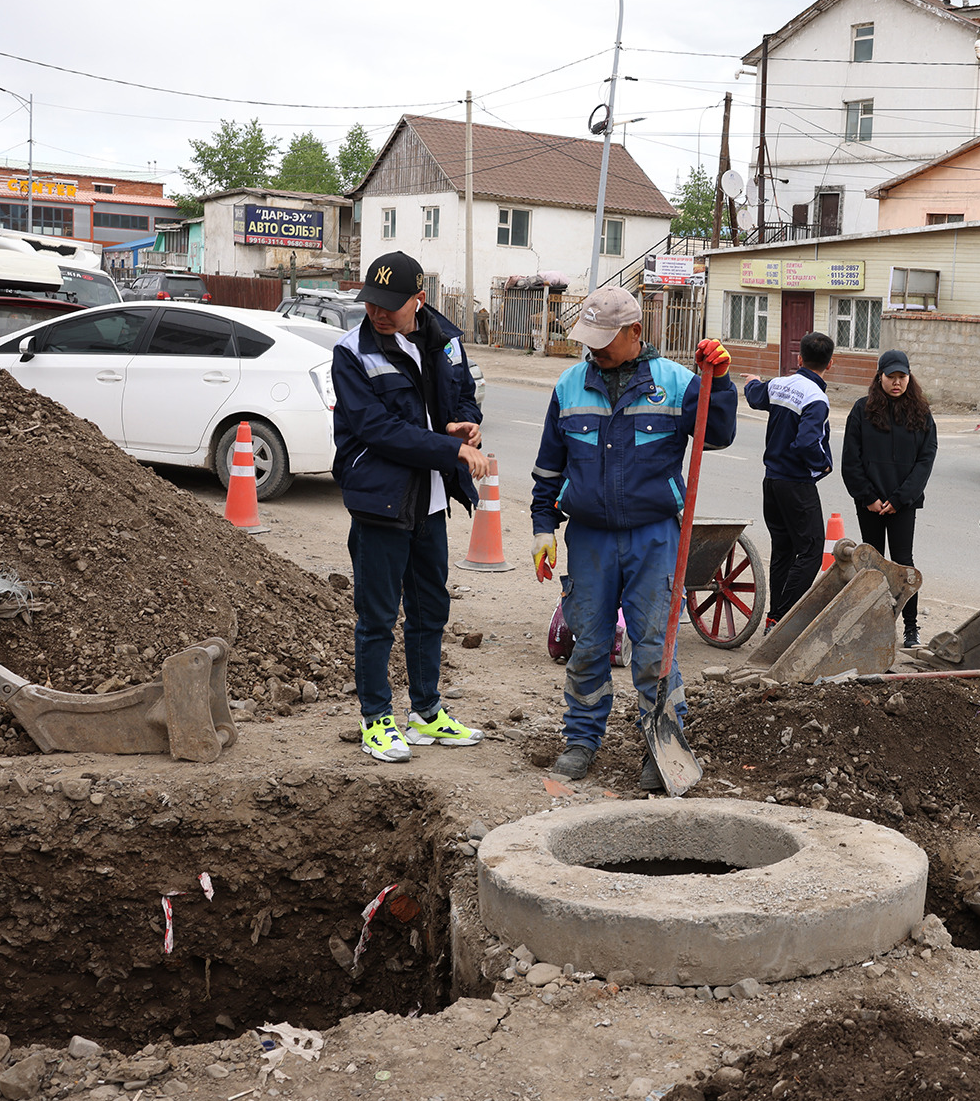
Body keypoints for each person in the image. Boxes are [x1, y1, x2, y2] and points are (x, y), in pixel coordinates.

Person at [529, 285, 735, 788]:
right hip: (591, 540)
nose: (593, 348)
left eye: (604, 338)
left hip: (655, 537)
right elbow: (548, 469)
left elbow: (719, 433)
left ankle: (659, 747)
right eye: (589, 337)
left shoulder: (677, 383)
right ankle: (581, 740)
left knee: (653, 647)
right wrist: (542, 528)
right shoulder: (568, 387)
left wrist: (720, 381)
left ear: (636, 333)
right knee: (589, 645)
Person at [331, 251, 489, 764]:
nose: (378, 313)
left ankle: (426, 713)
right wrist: (452, 449)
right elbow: (377, 429)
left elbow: (462, 397)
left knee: (429, 608)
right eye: (371, 303)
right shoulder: (351, 352)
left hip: (430, 496)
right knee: (376, 615)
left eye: (390, 306)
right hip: (380, 496)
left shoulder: (445, 341)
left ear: (418, 300)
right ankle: (376, 720)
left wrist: (463, 425)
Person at [841, 349, 938, 648]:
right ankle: (872, 626)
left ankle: (911, 628)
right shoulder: (861, 410)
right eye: (891, 377)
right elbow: (850, 460)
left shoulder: (921, 414)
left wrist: (899, 499)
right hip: (869, 503)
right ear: (879, 377)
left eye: (902, 377)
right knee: (872, 566)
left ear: (909, 377)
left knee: (903, 563)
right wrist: (868, 497)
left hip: (902, 505)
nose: (897, 383)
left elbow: (926, 460)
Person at [745, 331, 834, 626]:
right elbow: (808, 442)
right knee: (810, 550)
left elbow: (755, 396)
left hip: (771, 482)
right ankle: (784, 619)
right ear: (830, 364)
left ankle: (774, 618)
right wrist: (823, 464)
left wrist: (752, 382)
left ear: (799, 359)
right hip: (797, 484)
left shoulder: (781, 384)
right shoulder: (816, 398)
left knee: (783, 550)